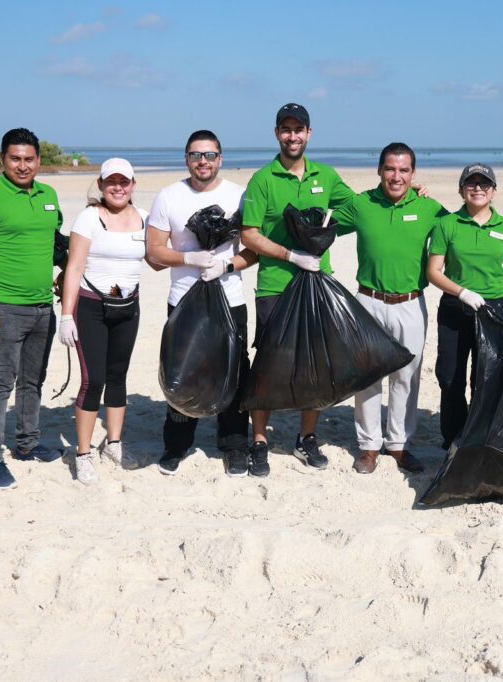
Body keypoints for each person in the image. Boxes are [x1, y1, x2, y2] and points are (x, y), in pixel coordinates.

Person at [239, 103, 356, 476]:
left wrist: (324, 233)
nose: (293, 136)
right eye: (286, 129)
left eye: (299, 129)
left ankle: (306, 437)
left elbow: (354, 211)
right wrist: (291, 254)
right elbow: (249, 234)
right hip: (275, 285)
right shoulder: (263, 179)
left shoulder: (327, 175)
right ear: (277, 134)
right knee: (269, 365)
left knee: (316, 365)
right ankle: (258, 440)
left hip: (319, 283)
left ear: (309, 133)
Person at [146, 130, 257, 477]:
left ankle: (235, 445)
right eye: (196, 155)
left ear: (221, 159)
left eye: (209, 155)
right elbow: (153, 253)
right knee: (183, 370)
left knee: (235, 369)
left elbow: (253, 249)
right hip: (184, 302)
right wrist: (190, 258)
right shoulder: (169, 197)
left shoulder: (238, 195)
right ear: (186, 159)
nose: (203, 161)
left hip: (230, 299)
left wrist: (226, 264)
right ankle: (176, 445)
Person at [334, 142, 448, 475]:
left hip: (410, 303)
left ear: (413, 174)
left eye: (404, 170)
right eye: (390, 169)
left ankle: (398, 445)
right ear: (380, 170)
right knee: (367, 375)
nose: (396, 176)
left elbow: (459, 230)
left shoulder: (429, 208)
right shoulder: (361, 204)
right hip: (368, 301)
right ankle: (368, 446)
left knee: (406, 375)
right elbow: (322, 223)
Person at [0, 128, 64, 491]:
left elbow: (57, 243)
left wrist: (66, 272)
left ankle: (27, 443)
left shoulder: (49, 195)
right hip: (3, 307)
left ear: (39, 160)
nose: (23, 165)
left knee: (33, 380)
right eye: (15, 158)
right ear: (3, 159)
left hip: (42, 307)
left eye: (29, 159)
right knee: (1, 382)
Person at [57, 158, 149, 485]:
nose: (118, 187)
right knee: (93, 380)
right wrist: (67, 315)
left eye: (124, 181)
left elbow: (160, 258)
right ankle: (82, 453)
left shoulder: (145, 220)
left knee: (117, 376)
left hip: (129, 307)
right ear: (101, 184)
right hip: (91, 307)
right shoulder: (89, 218)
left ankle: (114, 444)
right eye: (112, 181)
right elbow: (74, 268)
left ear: (134, 185)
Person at [427, 163, 503, 449]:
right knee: (450, 376)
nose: (478, 189)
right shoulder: (447, 224)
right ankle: (453, 439)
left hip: (494, 310)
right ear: (461, 190)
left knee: (485, 378)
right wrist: (462, 292)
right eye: (471, 184)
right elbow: (433, 272)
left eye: (484, 184)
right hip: (455, 307)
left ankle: (480, 438)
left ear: (494, 191)